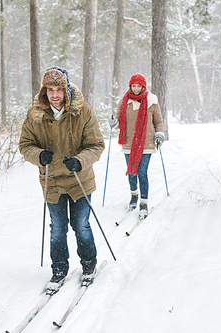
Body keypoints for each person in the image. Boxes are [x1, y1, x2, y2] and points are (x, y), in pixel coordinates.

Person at [19, 66, 105, 294]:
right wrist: (39, 156)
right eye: (50, 89)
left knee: (81, 225)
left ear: (66, 90)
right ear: (44, 91)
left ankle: (89, 264)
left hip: (80, 180)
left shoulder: (83, 111)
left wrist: (80, 160)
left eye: (59, 89)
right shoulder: (35, 115)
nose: (54, 94)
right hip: (52, 182)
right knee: (57, 229)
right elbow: (25, 145)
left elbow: (96, 145)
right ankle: (59, 269)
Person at [108, 73, 164, 219]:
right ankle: (134, 195)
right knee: (132, 173)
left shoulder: (152, 101)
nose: (137, 88)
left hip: (146, 142)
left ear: (143, 86)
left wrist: (159, 134)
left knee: (142, 173)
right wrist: (113, 123)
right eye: (134, 86)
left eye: (139, 86)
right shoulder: (124, 101)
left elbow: (158, 121)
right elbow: (119, 122)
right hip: (129, 143)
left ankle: (143, 203)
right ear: (130, 86)